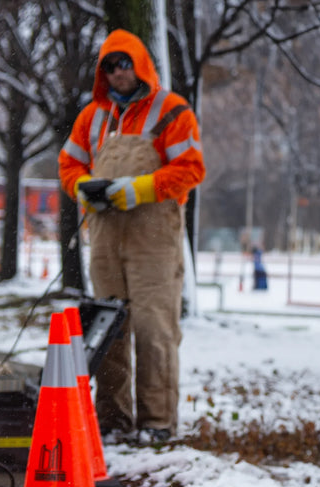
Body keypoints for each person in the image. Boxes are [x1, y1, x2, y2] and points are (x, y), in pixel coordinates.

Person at [58, 29, 205, 445]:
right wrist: (83, 186)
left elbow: (191, 169)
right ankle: (113, 420)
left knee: (154, 329)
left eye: (124, 63)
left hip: (153, 241)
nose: (117, 72)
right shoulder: (93, 117)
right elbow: (68, 164)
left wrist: (139, 189)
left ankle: (157, 422)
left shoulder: (172, 111)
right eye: (109, 65)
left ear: (140, 65)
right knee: (107, 330)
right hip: (105, 239)